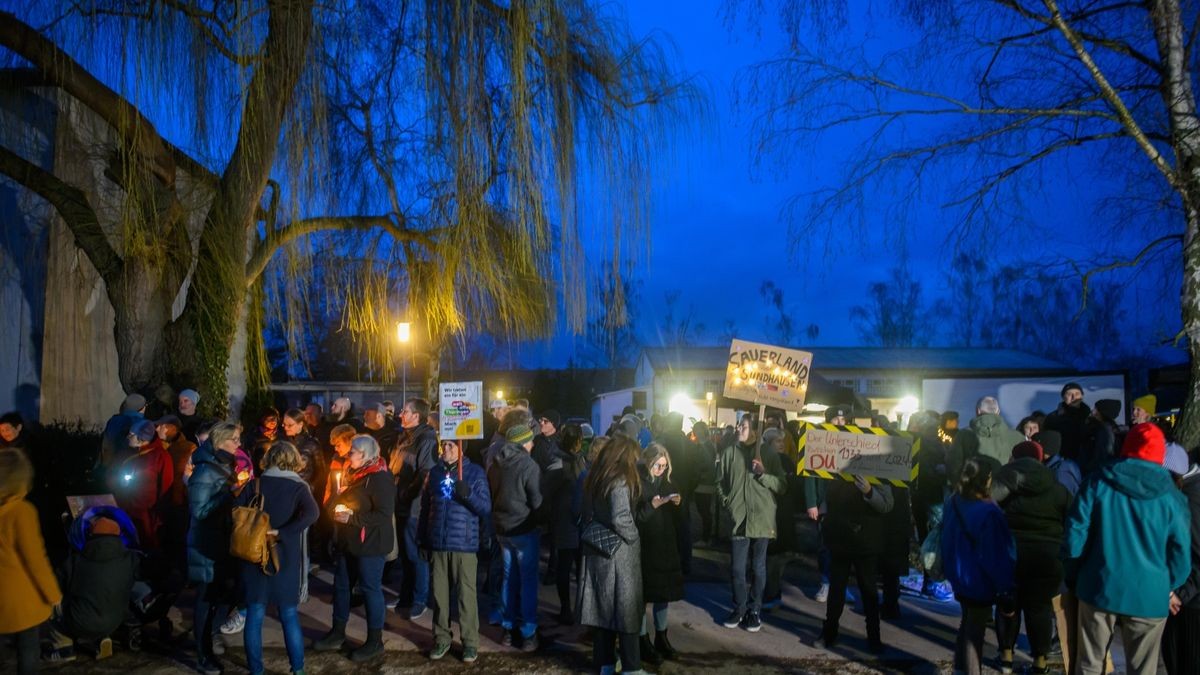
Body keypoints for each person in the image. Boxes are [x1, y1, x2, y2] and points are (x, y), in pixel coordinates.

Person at [1063, 423, 1190, 675]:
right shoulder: (1172, 497)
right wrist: (1168, 585)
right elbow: (1181, 554)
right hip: (1150, 593)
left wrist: (1074, 574)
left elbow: (1075, 533)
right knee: (1143, 669)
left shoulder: (1097, 481)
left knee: (1089, 665)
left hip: (1098, 584)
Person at [237, 441, 319, 675]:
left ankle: (256, 670)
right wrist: (284, 532)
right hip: (285, 555)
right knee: (289, 614)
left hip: (254, 554)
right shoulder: (299, 487)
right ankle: (298, 668)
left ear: (269, 459)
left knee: (255, 613)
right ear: (293, 459)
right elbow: (313, 513)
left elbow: (235, 512)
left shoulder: (255, 484)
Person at [990, 440, 1070, 675]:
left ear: (1014, 459)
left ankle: (1005, 657)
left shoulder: (1005, 485)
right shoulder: (1057, 488)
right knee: (1040, 610)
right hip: (1046, 557)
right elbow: (1070, 519)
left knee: (1008, 604)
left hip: (1010, 554)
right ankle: (1040, 662)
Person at [316, 434, 396, 662]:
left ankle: (374, 641)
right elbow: (337, 504)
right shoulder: (354, 474)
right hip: (348, 542)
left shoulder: (380, 479)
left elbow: (382, 514)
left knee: (371, 589)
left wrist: (351, 518)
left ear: (364, 454)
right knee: (341, 586)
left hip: (370, 544)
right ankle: (337, 633)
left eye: (352, 451)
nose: (348, 454)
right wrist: (336, 505)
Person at [941, 456, 1017, 675]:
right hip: (978, 580)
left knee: (967, 625)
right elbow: (995, 556)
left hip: (958, 575)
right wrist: (1006, 586)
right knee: (975, 633)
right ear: (986, 480)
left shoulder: (954, 501)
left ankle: (959, 668)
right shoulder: (988, 512)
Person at [577, 435, 646, 675]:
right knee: (627, 611)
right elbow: (621, 517)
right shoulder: (620, 480)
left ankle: (605, 663)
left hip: (598, 549)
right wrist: (634, 537)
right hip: (619, 555)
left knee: (602, 612)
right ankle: (632, 667)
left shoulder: (596, 477)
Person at [418, 439, 491, 663]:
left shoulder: (475, 472)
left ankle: (470, 642)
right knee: (440, 595)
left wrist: (467, 493)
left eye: (451, 445)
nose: (446, 449)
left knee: (466, 596)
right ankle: (441, 638)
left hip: (464, 544)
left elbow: (485, 508)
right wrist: (422, 538)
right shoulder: (434, 473)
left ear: (461, 448)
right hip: (438, 542)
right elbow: (426, 507)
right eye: (444, 445)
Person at [186, 422, 249, 675]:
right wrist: (231, 494)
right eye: (234, 439)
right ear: (220, 441)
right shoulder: (204, 472)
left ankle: (210, 636)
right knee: (205, 599)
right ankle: (203, 653)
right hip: (206, 545)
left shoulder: (223, 466)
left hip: (221, 543)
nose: (239, 444)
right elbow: (199, 511)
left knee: (228, 592)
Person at [717, 414, 787, 632]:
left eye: (744, 426)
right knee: (737, 569)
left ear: (755, 430)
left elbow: (782, 486)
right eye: (738, 424)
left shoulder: (768, 453)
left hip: (762, 519)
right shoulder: (729, 453)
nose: (739, 428)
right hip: (739, 519)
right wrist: (727, 502)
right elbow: (720, 482)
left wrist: (763, 474)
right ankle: (739, 608)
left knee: (758, 567)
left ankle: (754, 610)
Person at [815, 471, 894, 653]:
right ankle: (829, 632)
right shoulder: (839, 467)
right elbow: (829, 493)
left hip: (866, 540)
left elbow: (887, 504)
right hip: (840, 537)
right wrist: (825, 509)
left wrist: (869, 492)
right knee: (836, 588)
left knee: (868, 590)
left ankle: (874, 637)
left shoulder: (878, 467)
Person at [0, 448, 62, 675]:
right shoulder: (21, 511)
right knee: (27, 652)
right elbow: (35, 559)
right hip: (20, 600)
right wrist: (53, 594)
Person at [487, 423, 544, 650]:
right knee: (528, 581)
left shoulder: (496, 464)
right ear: (522, 443)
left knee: (509, 579)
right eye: (530, 440)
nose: (532, 444)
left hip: (501, 529)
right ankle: (528, 631)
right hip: (523, 529)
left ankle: (508, 628)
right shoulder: (528, 465)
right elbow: (537, 501)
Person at [634, 443, 684, 665]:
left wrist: (677, 503)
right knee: (644, 596)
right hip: (645, 547)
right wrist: (651, 507)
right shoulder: (637, 483)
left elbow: (678, 519)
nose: (661, 470)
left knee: (663, 595)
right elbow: (635, 518)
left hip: (665, 546)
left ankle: (662, 637)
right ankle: (642, 640)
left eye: (664, 466)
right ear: (648, 461)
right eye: (657, 465)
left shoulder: (668, 481)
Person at [389, 398, 438, 619]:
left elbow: (424, 473)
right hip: (399, 503)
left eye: (405, 411)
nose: (401, 414)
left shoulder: (426, 439)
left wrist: (407, 494)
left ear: (417, 416)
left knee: (415, 554)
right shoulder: (404, 437)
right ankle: (406, 596)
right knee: (405, 555)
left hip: (413, 507)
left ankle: (420, 599)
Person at [544, 423, 587, 626]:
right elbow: (548, 489)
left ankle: (574, 608)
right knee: (568, 565)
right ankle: (568, 608)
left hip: (572, 519)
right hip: (566, 519)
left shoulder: (572, 459)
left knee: (574, 565)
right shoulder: (561, 461)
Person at [110, 419, 174, 552]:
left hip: (146, 517)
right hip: (127, 513)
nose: (128, 437)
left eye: (132, 434)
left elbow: (166, 488)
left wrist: (158, 518)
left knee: (146, 549)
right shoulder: (130, 454)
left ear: (142, 437)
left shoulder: (161, 456)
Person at [1163, 447, 1200, 674]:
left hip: (1190, 604)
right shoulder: (1183, 494)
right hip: (1180, 599)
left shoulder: (1190, 501)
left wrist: (1179, 594)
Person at [950, 396, 1025, 468]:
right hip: (1004, 480)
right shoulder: (1017, 438)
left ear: (978, 411)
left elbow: (954, 463)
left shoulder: (963, 435)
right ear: (998, 412)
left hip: (973, 480)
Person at [1042, 382, 1091, 462]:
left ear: (1082, 396)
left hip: (1086, 462)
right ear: (1063, 397)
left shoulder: (1090, 417)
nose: (1073, 397)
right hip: (1061, 461)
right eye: (1069, 394)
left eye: (1077, 393)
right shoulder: (1053, 418)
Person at [690, 421, 718, 544]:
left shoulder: (703, 446)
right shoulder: (709, 445)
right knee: (705, 511)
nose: (694, 432)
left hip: (703, 483)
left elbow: (703, 464)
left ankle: (706, 538)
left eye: (696, 430)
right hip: (708, 482)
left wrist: (696, 475)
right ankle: (707, 535)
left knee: (704, 510)